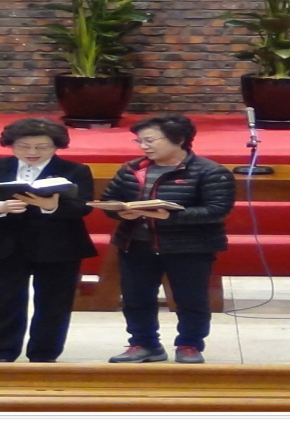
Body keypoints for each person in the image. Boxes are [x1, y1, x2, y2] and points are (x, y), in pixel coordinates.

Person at [100, 114, 235, 365]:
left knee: (191, 300)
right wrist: (119, 211)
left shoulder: (209, 171)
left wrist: (171, 216)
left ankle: (189, 345)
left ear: (179, 139)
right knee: (136, 298)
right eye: (140, 141)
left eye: (150, 140)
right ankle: (144, 344)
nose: (144, 146)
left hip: (189, 247)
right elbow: (110, 200)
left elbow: (217, 210)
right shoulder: (131, 169)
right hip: (136, 244)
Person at [0, 118, 96, 363]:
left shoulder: (75, 170)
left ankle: (44, 355)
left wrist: (50, 206)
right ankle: (0, 354)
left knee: (54, 304)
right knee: (2, 302)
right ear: (11, 145)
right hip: (3, 244)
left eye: (42, 147)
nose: (32, 152)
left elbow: (83, 206)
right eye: (23, 146)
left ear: (56, 146)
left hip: (58, 246)